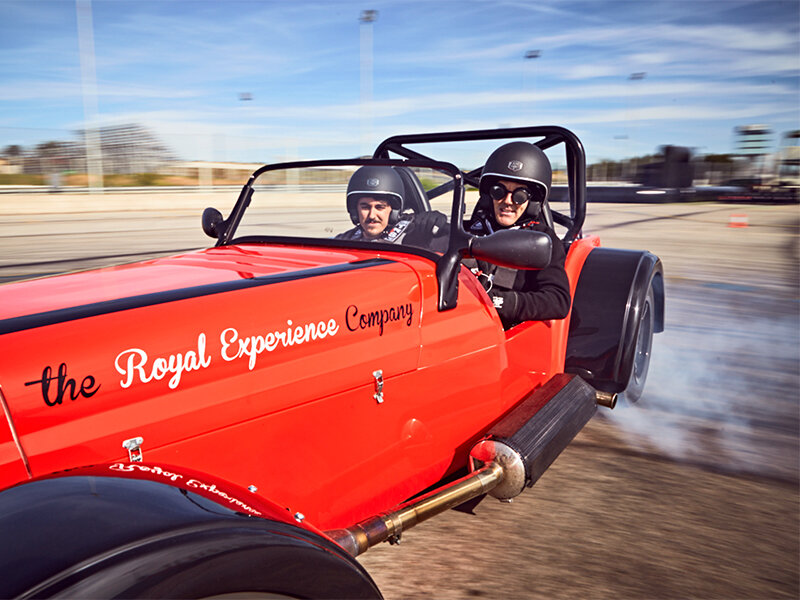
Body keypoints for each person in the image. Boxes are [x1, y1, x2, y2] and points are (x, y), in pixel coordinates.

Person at [466, 141, 571, 328]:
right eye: (499, 191)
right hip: (460, 320)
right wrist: (426, 227)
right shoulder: (467, 229)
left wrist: (499, 301)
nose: (507, 201)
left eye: (519, 195)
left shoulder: (542, 239)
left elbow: (558, 301)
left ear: (531, 202)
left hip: (502, 333)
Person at [336, 165, 448, 247]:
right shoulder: (345, 240)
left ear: (393, 211)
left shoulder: (414, 235)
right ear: (355, 211)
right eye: (365, 207)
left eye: (380, 207)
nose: (372, 215)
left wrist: (439, 226)